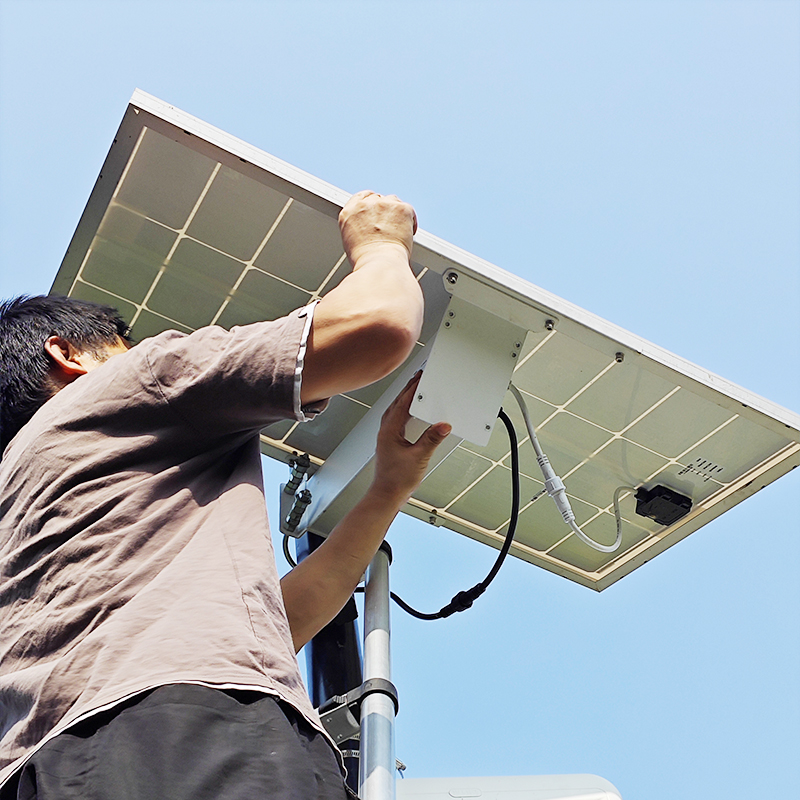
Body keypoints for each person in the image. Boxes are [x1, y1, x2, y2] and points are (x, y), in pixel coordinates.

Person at [0, 191, 451, 799]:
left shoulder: (22, 499)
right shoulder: (136, 386)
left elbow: (270, 625)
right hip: (180, 729)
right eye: (121, 348)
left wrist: (385, 490)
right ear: (70, 356)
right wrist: (381, 246)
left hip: (48, 766)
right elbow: (378, 326)